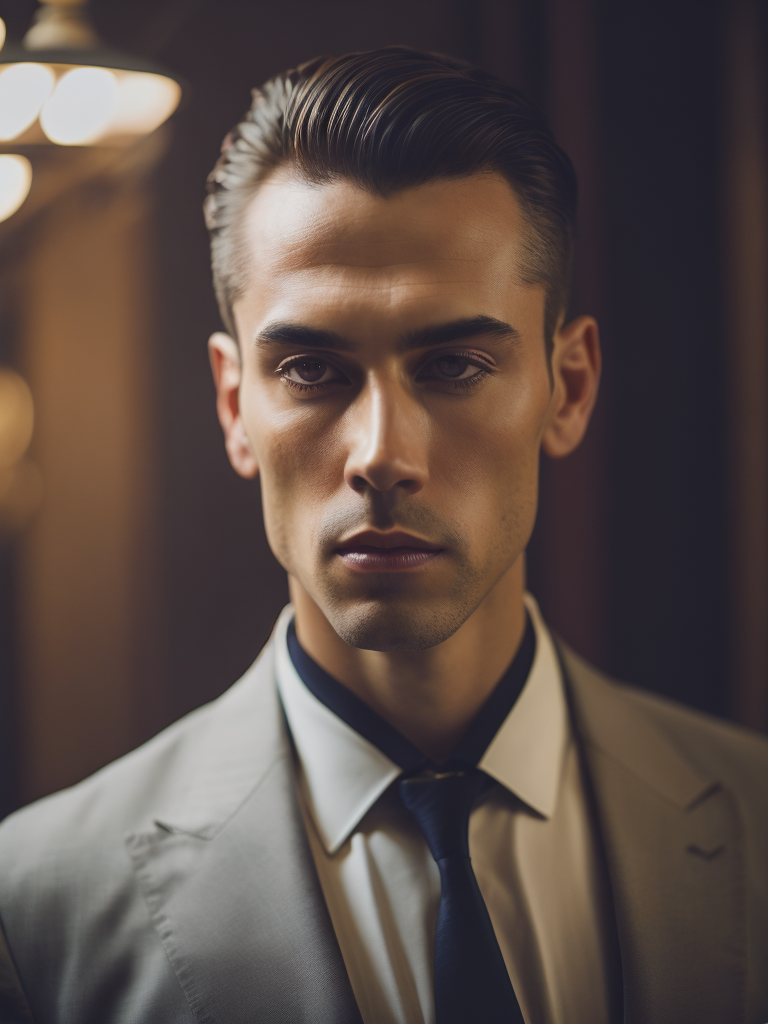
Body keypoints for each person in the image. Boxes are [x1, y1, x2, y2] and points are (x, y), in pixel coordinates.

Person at [0, 46, 766, 1024]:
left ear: (568, 388)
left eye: (454, 365)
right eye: (311, 371)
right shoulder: (35, 908)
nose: (382, 455)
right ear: (234, 405)